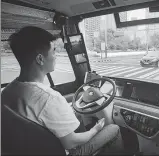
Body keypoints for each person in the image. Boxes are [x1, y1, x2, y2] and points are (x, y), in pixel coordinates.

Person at [1, 26, 124, 155]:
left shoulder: (8, 91)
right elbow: (71, 142)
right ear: (40, 59)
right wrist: (96, 129)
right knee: (113, 129)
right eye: (53, 51)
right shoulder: (49, 98)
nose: (56, 56)